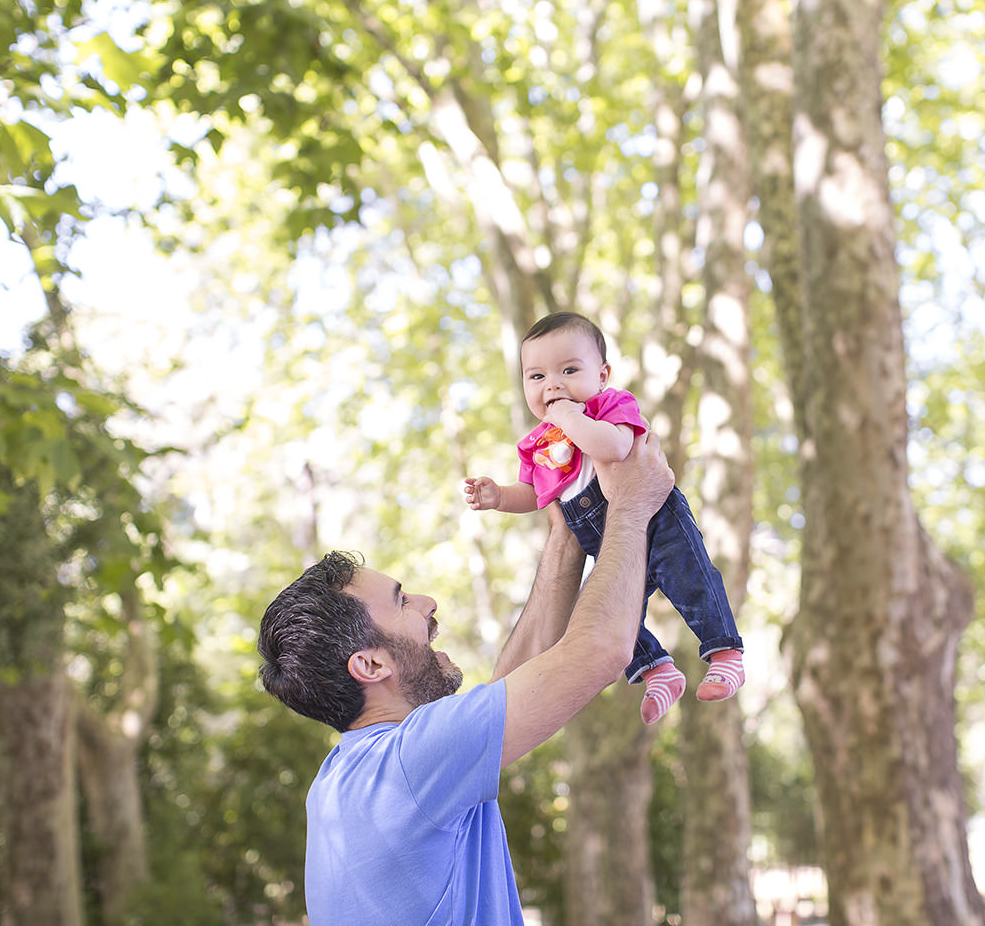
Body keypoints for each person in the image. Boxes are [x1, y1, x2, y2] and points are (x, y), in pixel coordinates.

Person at [256, 431, 673, 926]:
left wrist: (565, 532)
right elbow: (600, 649)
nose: (428, 602)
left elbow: (512, 690)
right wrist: (632, 507)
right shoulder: (410, 761)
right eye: (402, 601)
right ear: (370, 666)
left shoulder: (345, 777)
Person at [464, 311, 744, 724]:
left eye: (569, 370)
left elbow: (613, 447)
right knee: (601, 613)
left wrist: (571, 419)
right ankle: (657, 670)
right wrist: (499, 496)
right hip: (605, 540)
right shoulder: (537, 443)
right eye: (536, 377)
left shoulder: (609, 405)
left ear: (602, 374)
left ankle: (724, 652)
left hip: (655, 519)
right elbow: (538, 495)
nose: (553, 385)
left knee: (690, 577)